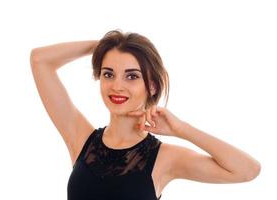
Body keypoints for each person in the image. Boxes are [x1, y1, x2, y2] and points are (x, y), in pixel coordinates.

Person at [30, 30, 261, 200]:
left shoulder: (164, 157)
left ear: (151, 86)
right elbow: (40, 60)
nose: (117, 86)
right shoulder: (81, 139)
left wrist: (182, 130)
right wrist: (103, 46)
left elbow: (247, 170)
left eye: (131, 76)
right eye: (109, 74)